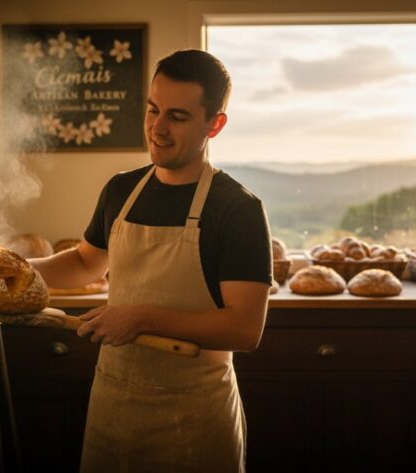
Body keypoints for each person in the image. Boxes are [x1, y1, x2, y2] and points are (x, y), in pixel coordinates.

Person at [29, 49, 272, 472]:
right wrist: (12, 271)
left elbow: (244, 328)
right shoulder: (122, 190)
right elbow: (87, 262)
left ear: (215, 124)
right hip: (112, 407)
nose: (157, 128)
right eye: (152, 110)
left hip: (195, 419)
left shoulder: (237, 209)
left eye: (176, 117)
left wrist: (141, 318)